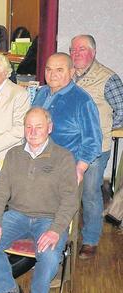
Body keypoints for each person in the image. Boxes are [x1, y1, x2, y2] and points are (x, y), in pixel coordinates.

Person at [0, 107, 78, 293]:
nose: (32, 132)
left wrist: (56, 230)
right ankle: (8, 289)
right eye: (28, 127)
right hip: (17, 215)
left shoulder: (64, 157)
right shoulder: (13, 154)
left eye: (38, 127)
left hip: (49, 219)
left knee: (48, 255)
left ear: (49, 128)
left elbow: (70, 199)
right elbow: (0, 192)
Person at [69, 35, 123, 259]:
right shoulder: (67, 73)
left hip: (94, 148)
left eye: (82, 49)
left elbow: (121, 110)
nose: (76, 53)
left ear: (93, 52)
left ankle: (90, 239)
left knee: (90, 193)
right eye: (73, 49)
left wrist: (105, 129)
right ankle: (64, 235)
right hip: (67, 146)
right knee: (64, 193)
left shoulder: (108, 78)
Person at [32, 53, 102, 183]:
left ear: (71, 72)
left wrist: (80, 169)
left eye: (59, 70)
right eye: (48, 69)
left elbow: (93, 142)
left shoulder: (82, 101)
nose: (52, 74)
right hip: (35, 167)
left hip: (64, 171)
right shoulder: (41, 93)